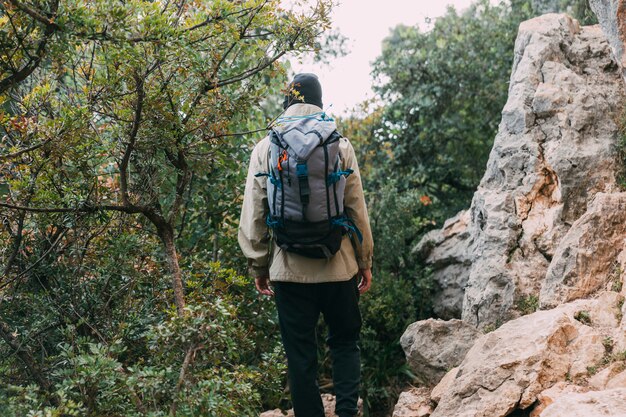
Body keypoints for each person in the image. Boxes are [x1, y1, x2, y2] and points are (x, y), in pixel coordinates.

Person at [238, 73, 373, 417]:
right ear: (319, 102)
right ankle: (346, 412)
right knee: (344, 342)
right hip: (339, 267)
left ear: (287, 102)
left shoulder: (265, 148)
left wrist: (259, 265)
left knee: (300, 356)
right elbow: (357, 208)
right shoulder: (339, 144)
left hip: (288, 271)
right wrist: (364, 260)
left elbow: (254, 212)